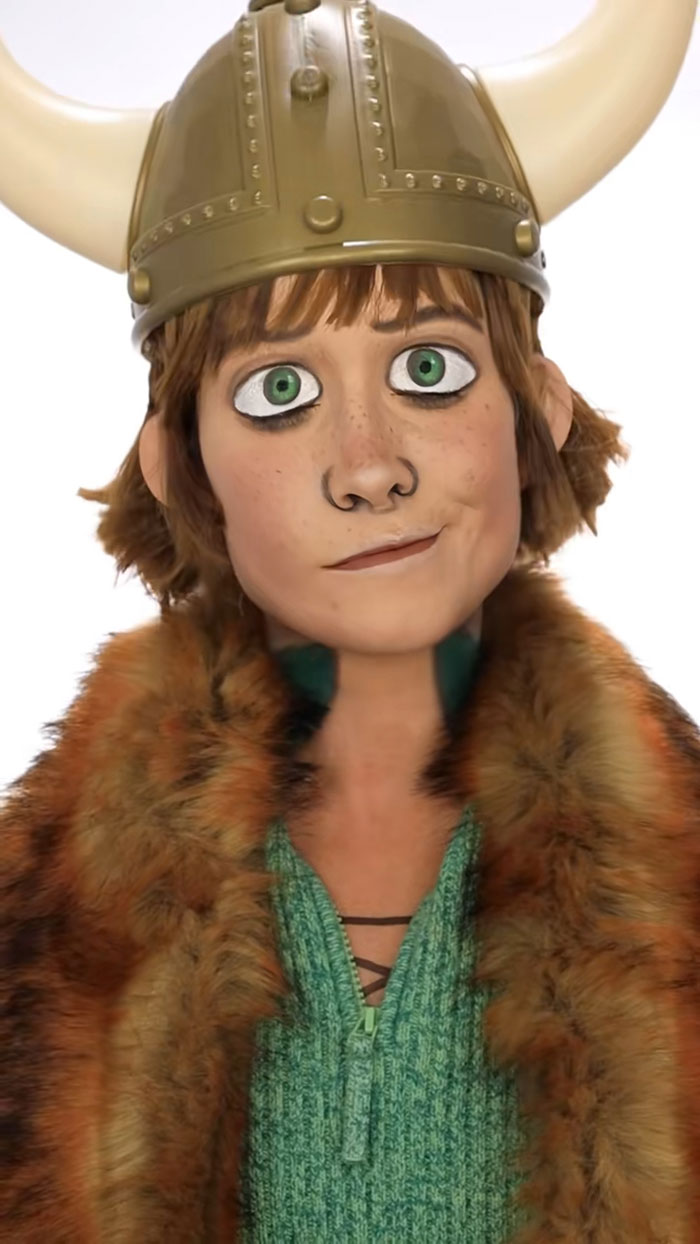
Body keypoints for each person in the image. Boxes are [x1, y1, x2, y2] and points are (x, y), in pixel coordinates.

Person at [2, 1, 699, 1241]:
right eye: (279, 390)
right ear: (177, 463)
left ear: (536, 408)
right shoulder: (49, 906)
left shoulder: (683, 866)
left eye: (430, 367)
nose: (369, 465)